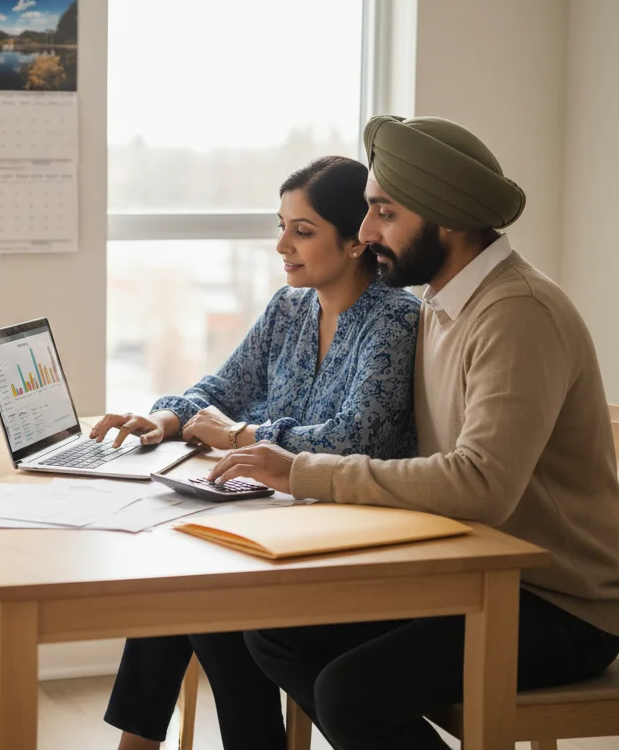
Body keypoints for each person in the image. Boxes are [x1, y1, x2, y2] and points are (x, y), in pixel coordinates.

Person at [208, 115, 619, 750]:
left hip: (556, 601)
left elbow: (481, 484)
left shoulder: (516, 316)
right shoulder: (439, 303)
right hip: (470, 570)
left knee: (353, 692)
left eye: (384, 213)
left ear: (448, 219)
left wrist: (298, 469)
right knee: (272, 631)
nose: (366, 232)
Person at [91, 155, 421, 750]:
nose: (281, 246)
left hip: (353, 540)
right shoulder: (288, 308)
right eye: (281, 226)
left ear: (354, 243)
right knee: (181, 580)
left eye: (302, 230)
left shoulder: (395, 319)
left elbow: (358, 438)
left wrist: (243, 436)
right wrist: (165, 418)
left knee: (210, 602)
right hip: (282, 523)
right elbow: (220, 390)